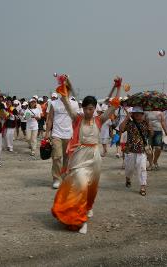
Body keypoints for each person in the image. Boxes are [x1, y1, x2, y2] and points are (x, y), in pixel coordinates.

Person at [51, 78, 120, 234]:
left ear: (95, 109)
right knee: (79, 185)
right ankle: (80, 219)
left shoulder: (99, 120)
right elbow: (66, 101)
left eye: (92, 108)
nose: (89, 111)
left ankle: (88, 207)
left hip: (95, 157)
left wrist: (118, 87)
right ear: (83, 108)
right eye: (87, 108)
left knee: (90, 188)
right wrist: (64, 85)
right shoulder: (77, 119)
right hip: (79, 156)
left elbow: (114, 105)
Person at [45, 88, 79, 189]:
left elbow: (76, 120)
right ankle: (56, 179)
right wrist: (47, 133)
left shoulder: (74, 104)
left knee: (67, 158)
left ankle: (64, 177)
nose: (64, 92)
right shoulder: (54, 103)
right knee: (57, 156)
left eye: (66, 90)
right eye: (62, 90)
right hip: (56, 134)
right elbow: (50, 118)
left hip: (69, 134)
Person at [120, 106, 153, 195]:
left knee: (142, 168)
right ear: (133, 114)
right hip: (130, 150)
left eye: (139, 114)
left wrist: (150, 127)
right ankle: (128, 178)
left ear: (143, 115)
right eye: (135, 114)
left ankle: (143, 186)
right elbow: (121, 129)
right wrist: (126, 118)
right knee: (129, 168)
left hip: (141, 150)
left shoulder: (146, 123)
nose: (138, 116)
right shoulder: (130, 123)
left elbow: (151, 134)